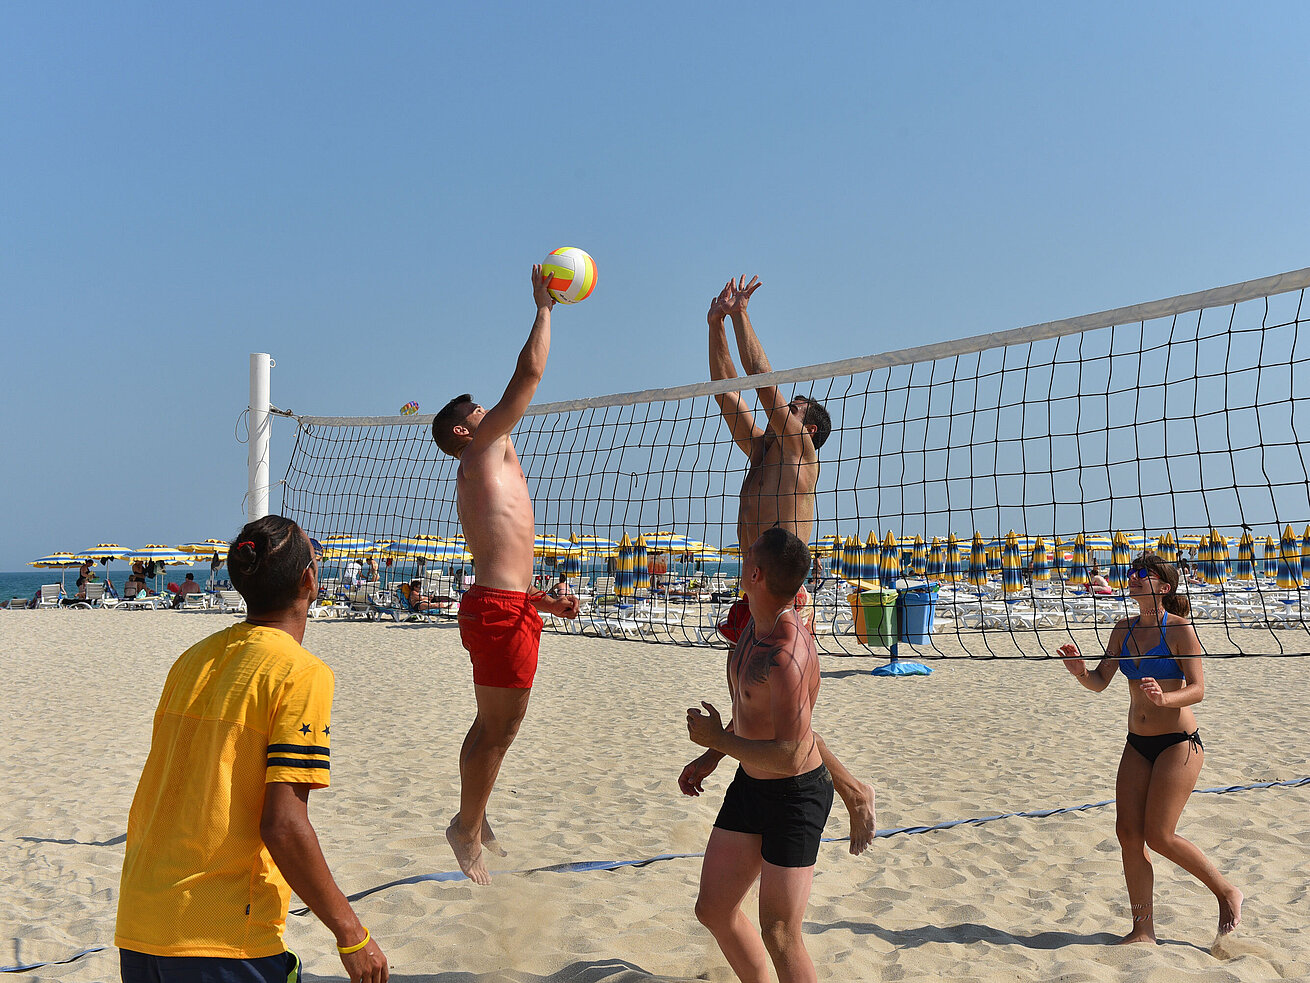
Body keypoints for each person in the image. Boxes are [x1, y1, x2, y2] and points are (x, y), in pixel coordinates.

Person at [115, 517, 388, 982]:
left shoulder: (192, 658)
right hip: (219, 934)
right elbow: (283, 825)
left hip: (141, 922)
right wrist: (352, 934)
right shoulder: (301, 673)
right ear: (309, 580)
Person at [707, 274, 877, 855]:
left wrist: (740, 316)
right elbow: (730, 393)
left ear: (807, 428)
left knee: (786, 719)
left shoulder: (801, 453)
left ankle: (851, 792)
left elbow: (764, 385)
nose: (786, 405)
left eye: (795, 407)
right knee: (772, 711)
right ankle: (846, 789)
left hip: (786, 595)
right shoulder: (761, 450)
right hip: (755, 592)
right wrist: (713, 326)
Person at [430, 264, 581, 884]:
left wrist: (542, 602)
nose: (496, 411)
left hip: (508, 604)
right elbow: (531, 374)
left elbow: (505, 554)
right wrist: (544, 309)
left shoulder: (490, 458)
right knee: (500, 728)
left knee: (492, 725)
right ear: (467, 428)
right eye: (483, 410)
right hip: (496, 610)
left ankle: (475, 812)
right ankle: (464, 826)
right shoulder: (479, 448)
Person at [1058, 552, 1242, 944]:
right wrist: (1080, 673)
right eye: (1132, 573)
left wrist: (1165, 700)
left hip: (1179, 744)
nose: (1135, 578)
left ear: (1165, 586)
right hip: (1137, 743)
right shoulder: (1122, 630)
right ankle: (1143, 929)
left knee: (1159, 835)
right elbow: (1099, 681)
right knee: (1128, 833)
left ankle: (1226, 891)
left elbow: (1199, 689)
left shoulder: (1179, 629)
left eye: (1145, 574)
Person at [681, 529, 832, 983]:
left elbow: (788, 755)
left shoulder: (788, 655)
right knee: (713, 909)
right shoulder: (751, 628)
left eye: (746, 558)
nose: (740, 561)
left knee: (781, 933)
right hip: (751, 785)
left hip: (795, 796)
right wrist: (711, 757)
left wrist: (715, 741)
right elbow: (748, 714)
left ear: (756, 574)